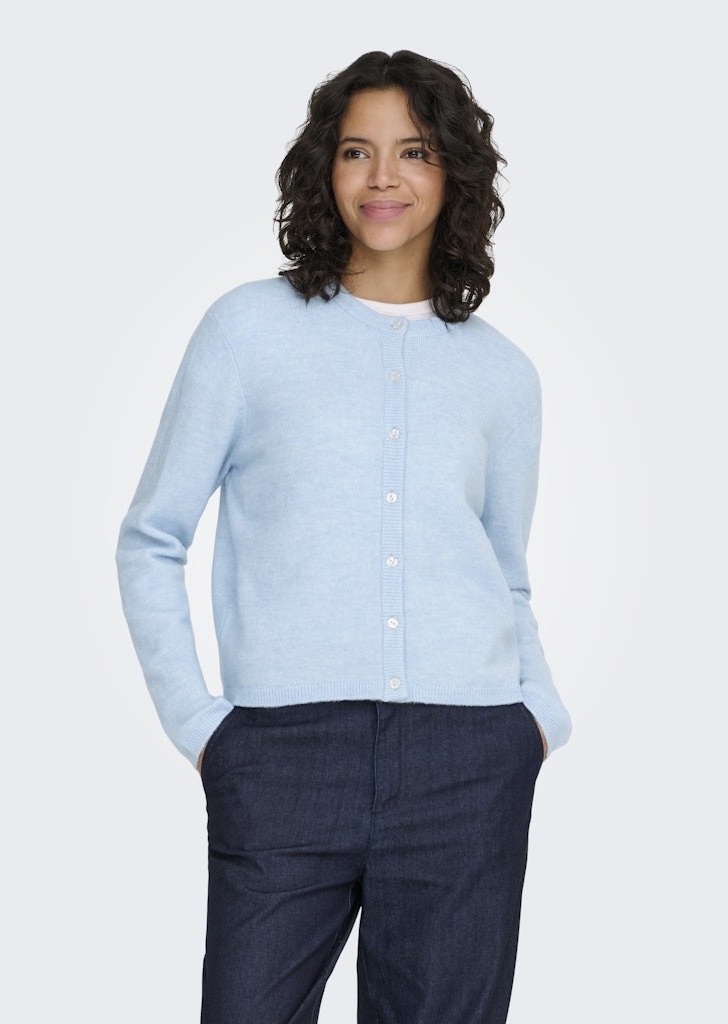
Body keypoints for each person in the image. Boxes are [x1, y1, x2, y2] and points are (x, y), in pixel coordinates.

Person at [115, 48, 572, 1024]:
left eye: (414, 151)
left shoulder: (503, 375)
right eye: (357, 150)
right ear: (325, 168)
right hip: (282, 752)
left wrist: (534, 718)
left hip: (469, 755)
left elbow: (505, 570)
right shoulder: (247, 331)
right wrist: (203, 729)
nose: (382, 177)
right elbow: (152, 537)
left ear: (453, 173)